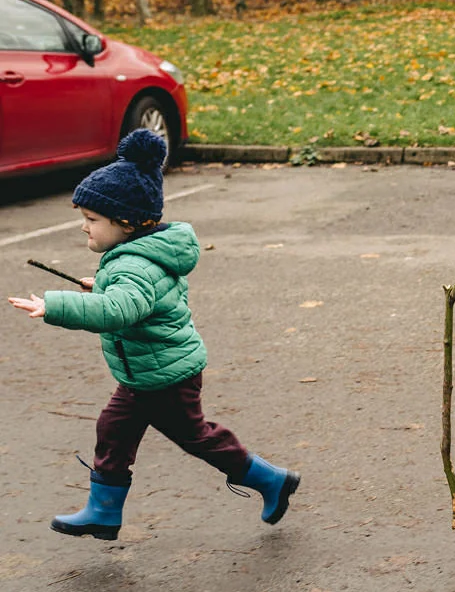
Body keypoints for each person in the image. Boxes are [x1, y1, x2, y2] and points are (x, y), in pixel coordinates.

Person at [7, 131, 301, 541]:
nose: (83, 228)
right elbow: (136, 298)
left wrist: (56, 306)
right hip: (147, 373)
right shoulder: (139, 256)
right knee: (114, 430)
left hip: (164, 376)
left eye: (92, 220)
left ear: (125, 222)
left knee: (197, 437)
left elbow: (118, 309)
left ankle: (270, 480)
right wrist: (103, 286)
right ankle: (103, 512)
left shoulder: (134, 266)